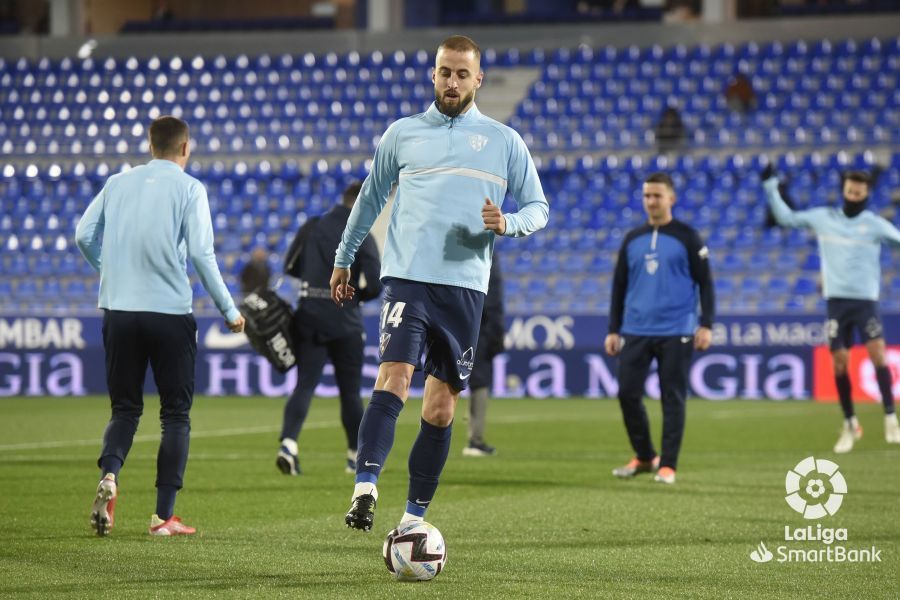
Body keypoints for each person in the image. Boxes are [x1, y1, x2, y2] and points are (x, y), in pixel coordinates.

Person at [331, 34, 549, 531]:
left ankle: (412, 520)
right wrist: (344, 257)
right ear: (433, 74)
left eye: (462, 74)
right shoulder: (403, 133)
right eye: (445, 72)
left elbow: (539, 207)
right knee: (394, 376)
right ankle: (365, 486)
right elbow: (368, 200)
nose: (452, 82)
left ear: (479, 80)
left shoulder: (504, 141)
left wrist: (508, 224)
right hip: (407, 278)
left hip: (466, 287)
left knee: (442, 406)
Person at [75, 116, 245, 537]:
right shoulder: (189, 189)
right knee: (175, 416)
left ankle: (110, 475)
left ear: (150, 146)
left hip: (119, 311)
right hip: (168, 313)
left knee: (125, 409)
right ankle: (163, 516)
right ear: (185, 148)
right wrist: (229, 309)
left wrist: (110, 273)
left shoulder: (118, 183)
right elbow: (203, 257)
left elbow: (83, 235)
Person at [762, 165, 900, 453]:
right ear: (844, 191)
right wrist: (771, 187)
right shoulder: (824, 218)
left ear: (866, 194)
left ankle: (890, 417)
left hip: (865, 301)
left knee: (877, 353)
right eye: (850, 191)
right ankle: (850, 423)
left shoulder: (874, 224)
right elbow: (786, 218)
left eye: (859, 193)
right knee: (838, 363)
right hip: (836, 302)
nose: (853, 196)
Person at [605, 172, 714, 485]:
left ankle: (668, 464)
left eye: (657, 195)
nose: (651, 201)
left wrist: (705, 324)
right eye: (647, 196)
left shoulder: (688, 237)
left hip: (677, 329)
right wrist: (614, 328)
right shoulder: (632, 239)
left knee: (672, 397)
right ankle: (644, 456)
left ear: (671, 198)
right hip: (635, 328)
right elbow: (619, 287)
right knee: (627, 393)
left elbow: (706, 284)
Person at [276, 182, 382, 476]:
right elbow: (375, 281)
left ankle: (288, 444)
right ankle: (354, 456)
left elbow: (290, 266)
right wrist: (355, 297)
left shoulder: (312, 226)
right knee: (350, 393)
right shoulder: (363, 233)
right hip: (346, 321)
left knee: (305, 384)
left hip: (309, 314)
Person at [463, 253, 505, 457]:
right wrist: (497, 334)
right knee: (479, 381)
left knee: (443, 379)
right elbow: (493, 300)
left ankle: (430, 435)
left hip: (451, 320)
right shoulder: (488, 253)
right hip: (479, 327)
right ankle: (475, 440)